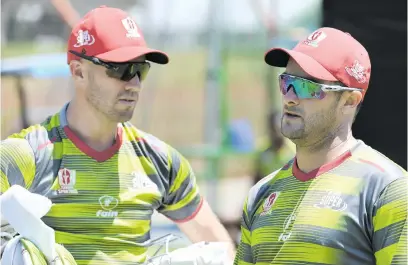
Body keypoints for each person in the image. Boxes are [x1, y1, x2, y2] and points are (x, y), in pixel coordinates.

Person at [0, 5, 235, 265]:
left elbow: (222, 248)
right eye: (120, 69)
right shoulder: (26, 155)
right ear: (78, 71)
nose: (133, 83)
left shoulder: (161, 161)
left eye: (140, 70)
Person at [234, 27, 407, 264]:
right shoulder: (260, 194)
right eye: (287, 82)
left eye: (307, 86)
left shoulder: (388, 189)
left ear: (349, 100)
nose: (290, 97)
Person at [253, 110, 295, 185]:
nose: (276, 133)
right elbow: (257, 179)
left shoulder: (295, 151)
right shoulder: (262, 151)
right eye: (272, 129)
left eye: (278, 128)